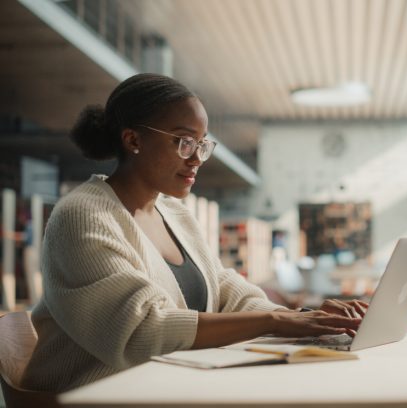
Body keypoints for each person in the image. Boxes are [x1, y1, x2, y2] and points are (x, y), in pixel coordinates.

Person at [21, 73, 366, 393]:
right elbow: (142, 331)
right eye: (184, 142)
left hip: (166, 385)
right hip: (94, 395)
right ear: (133, 139)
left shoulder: (173, 212)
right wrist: (275, 320)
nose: (197, 158)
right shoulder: (83, 216)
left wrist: (301, 318)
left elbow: (226, 289)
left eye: (202, 144)